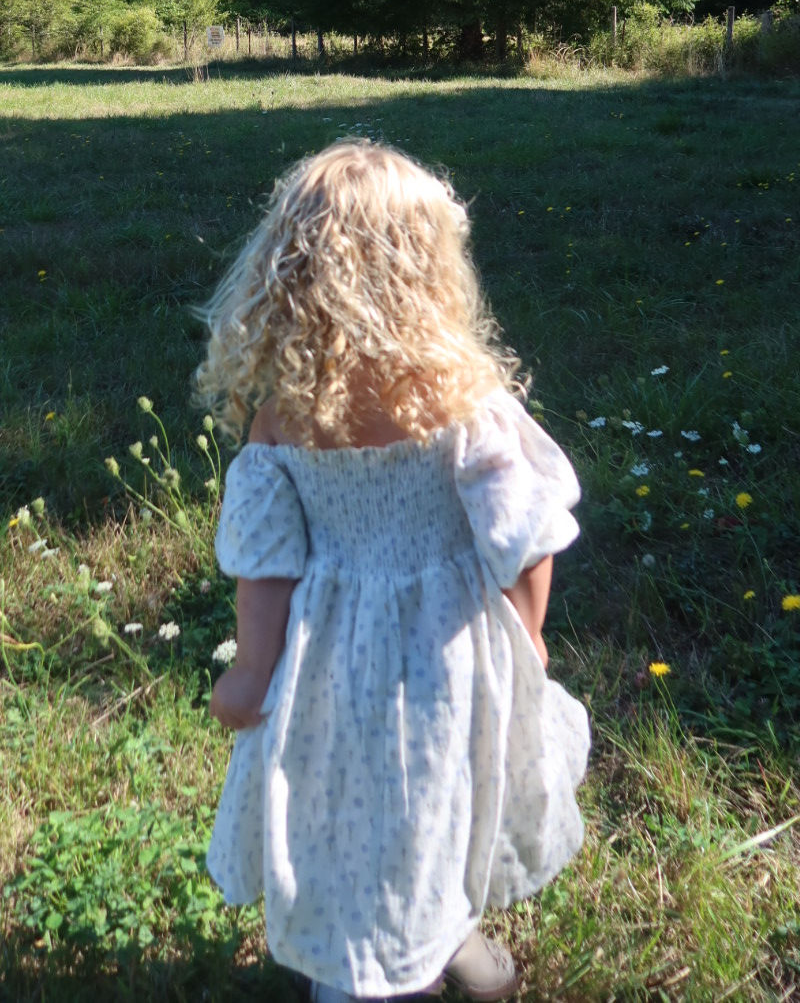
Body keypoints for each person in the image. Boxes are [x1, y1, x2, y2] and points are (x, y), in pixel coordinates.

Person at [196, 140, 589, 1003]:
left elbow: (266, 565)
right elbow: (526, 540)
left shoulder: (284, 416)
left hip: (330, 666)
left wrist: (256, 669)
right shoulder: (465, 404)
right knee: (433, 809)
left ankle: (415, 956)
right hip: (451, 660)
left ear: (288, 275)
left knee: (353, 826)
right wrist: (527, 635)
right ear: (430, 273)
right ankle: (417, 962)